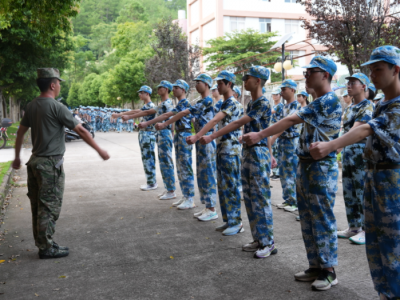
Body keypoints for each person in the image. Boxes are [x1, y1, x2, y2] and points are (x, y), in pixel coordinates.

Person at [243, 56, 341, 291]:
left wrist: (260, 135)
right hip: (306, 164)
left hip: (321, 167)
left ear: (325, 75)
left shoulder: (327, 100)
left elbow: (290, 120)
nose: (306, 75)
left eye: (311, 72)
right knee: (307, 217)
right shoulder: (316, 101)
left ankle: (329, 270)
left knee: (322, 218)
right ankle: (315, 265)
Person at [310, 46, 400, 299]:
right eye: (370, 70)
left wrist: (330, 145)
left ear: (396, 69)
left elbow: (365, 129)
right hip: (374, 176)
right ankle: (385, 292)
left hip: (393, 180)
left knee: (392, 245)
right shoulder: (383, 103)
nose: (373, 75)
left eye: (378, 69)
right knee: (376, 243)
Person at [12, 68, 110, 259]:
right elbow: (81, 130)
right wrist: (100, 150)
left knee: (37, 206)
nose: (59, 86)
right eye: (58, 82)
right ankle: (46, 248)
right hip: (50, 165)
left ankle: (44, 242)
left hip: (34, 162)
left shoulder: (32, 106)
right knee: (49, 206)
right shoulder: (57, 107)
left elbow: (20, 133)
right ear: (52, 84)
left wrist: (17, 157)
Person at [198, 66, 278, 258]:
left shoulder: (262, 103)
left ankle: (268, 242)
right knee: (250, 198)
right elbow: (262, 130)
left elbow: (237, 124)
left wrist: (212, 135)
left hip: (257, 155)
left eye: (248, 78)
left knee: (260, 198)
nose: (245, 81)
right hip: (249, 153)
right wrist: (271, 152)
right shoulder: (252, 103)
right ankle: (258, 238)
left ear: (258, 80)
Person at [187, 70, 244, 236]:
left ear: (229, 84)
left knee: (231, 187)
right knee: (223, 187)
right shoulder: (223, 104)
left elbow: (214, 121)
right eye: (217, 83)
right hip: (222, 149)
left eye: (221, 83)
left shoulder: (233, 104)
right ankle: (228, 221)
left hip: (230, 150)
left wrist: (199, 136)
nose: (217, 86)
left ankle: (236, 222)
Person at [156, 74, 218, 221]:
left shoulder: (207, 101)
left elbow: (185, 113)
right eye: (195, 82)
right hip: (200, 138)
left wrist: (165, 124)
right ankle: (205, 206)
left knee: (207, 173)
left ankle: (210, 208)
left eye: (199, 82)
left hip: (205, 139)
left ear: (207, 84)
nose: (196, 85)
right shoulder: (201, 100)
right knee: (201, 173)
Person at [140, 80, 195, 209]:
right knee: (180, 167)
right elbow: (166, 115)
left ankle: (188, 197)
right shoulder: (179, 103)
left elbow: (168, 115)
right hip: (178, 134)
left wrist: (161, 124)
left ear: (183, 90)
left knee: (184, 167)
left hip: (183, 135)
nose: (174, 89)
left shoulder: (184, 103)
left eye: (176, 87)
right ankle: (185, 196)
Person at [335, 73, 374, 245]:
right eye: (348, 83)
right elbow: (345, 132)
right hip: (349, 153)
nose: (349, 86)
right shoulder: (350, 107)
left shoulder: (368, 106)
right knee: (349, 191)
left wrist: (335, 146)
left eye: (353, 83)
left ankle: (367, 229)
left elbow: (355, 131)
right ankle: (354, 226)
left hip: (360, 154)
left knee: (362, 192)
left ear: (363, 86)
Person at [272, 80, 302, 213]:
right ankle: (288, 198)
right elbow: (277, 123)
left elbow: (285, 125)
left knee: (291, 171)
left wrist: (272, 138)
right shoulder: (283, 107)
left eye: (284, 90)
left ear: (293, 90)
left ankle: (295, 201)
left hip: (291, 141)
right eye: (281, 90)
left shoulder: (297, 106)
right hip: (282, 142)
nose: (282, 92)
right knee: (283, 171)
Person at [270, 88, 283, 181]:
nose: (275, 96)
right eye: (273, 94)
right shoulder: (274, 105)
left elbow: (270, 112)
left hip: (277, 130)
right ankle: (275, 171)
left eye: (277, 94)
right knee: (273, 150)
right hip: (273, 129)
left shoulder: (280, 105)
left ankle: (277, 172)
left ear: (280, 95)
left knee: (276, 150)